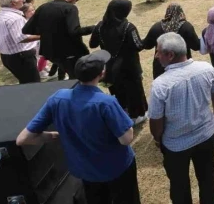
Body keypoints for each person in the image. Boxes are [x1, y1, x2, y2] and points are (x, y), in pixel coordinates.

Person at [16, 51, 141, 204]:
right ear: (102, 73)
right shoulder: (106, 102)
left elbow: (23, 139)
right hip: (116, 169)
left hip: (85, 171)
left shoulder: (57, 98)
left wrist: (53, 135)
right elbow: (126, 139)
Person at [149, 32, 214, 204]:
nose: (156, 55)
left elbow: (156, 121)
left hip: (176, 145)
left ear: (170, 55)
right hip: (205, 135)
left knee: (179, 184)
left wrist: (158, 139)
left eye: (158, 51)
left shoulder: (160, 85)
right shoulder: (206, 69)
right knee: (207, 176)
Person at [89, 0, 148, 125]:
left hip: (110, 66)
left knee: (117, 89)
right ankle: (137, 115)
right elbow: (139, 46)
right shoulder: (128, 27)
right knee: (134, 90)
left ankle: (123, 111)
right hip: (130, 66)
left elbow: (92, 43)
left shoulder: (99, 26)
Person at [23, 0, 94, 79]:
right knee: (79, 78)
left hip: (51, 52)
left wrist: (48, 33)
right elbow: (74, 31)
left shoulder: (43, 7)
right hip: (69, 52)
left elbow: (27, 29)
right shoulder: (70, 8)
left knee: (69, 74)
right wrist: (93, 28)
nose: (77, 1)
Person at [0, 0, 41, 83]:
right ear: (13, 3)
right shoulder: (15, 18)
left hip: (6, 57)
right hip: (22, 57)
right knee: (33, 83)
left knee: (24, 81)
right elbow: (21, 38)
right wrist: (43, 36)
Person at [143, 3, 201, 79]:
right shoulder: (186, 27)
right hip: (182, 66)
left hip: (161, 67)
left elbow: (147, 45)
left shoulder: (156, 27)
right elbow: (196, 46)